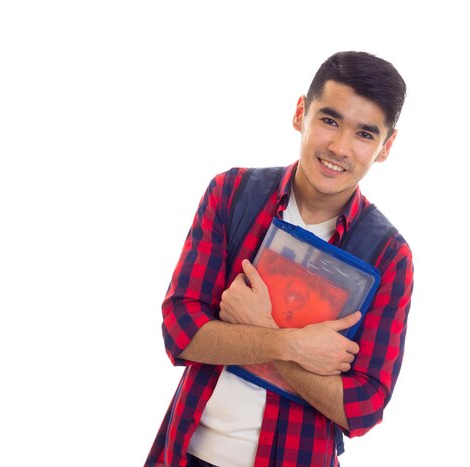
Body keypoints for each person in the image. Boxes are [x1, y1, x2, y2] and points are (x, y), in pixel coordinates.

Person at [145, 51, 414, 467]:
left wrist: (256, 330)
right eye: (329, 120)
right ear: (300, 113)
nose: (340, 147)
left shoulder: (388, 256)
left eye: (364, 134)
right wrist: (295, 346)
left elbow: (362, 406)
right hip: (185, 453)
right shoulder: (232, 194)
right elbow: (180, 331)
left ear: (385, 147)